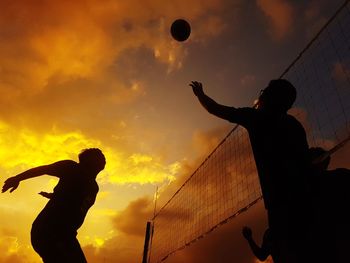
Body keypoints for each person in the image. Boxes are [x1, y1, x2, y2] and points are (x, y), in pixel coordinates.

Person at [190, 80, 311, 262]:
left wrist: (200, 95)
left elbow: (215, 109)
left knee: (288, 252)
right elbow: (306, 161)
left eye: (265, 92)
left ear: (269, 97)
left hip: (279, 202)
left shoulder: (256, 117)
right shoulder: (294, 125)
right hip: (306, 198)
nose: (261, 95)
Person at [2, 148, 106, 263]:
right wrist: (17, 178)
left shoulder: (93, 187)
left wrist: (53, 196)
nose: (103, 158)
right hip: (49, 231)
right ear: (88, 161)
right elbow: (44, 169)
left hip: (67, 235)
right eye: (98, 156)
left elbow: (72, 199)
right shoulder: (72, 168)